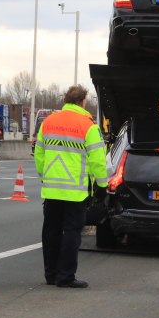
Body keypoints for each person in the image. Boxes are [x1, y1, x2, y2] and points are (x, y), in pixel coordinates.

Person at [34, 85, 108, 289]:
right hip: (75, 190)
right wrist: (102, 185)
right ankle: (65, 276)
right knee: (72, 232)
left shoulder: (48, 122)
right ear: (82, 102)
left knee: (51, 231)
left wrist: (45, 177)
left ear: (66, 100)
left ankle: (51, 274)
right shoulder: (88, 125)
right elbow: (98, 160)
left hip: (51, 189)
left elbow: (39, 154)